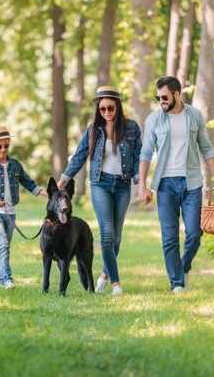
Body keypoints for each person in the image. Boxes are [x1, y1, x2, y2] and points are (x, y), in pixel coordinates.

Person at [139, 76, 214, 293]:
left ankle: (183, 266)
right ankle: (177, 283)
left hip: (192, 183)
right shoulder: (154, 119)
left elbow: (206, 148)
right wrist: (142, 184)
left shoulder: (194, 116)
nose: (161, 101)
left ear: (177, 94)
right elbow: (146, 152)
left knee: (194, 233)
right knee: (169, 236)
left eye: (165, 97)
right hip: (165, 185)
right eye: (158, 97)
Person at [58, 86, 142, 296]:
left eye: (110, 108)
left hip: (123, 185)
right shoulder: (93, 130)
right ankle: (116, 284)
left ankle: (104, 275)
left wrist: (140, 181)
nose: (106, 112)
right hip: (100, 184)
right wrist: (65, 177)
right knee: (106, 235)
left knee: (116, 239)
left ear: (118, 106)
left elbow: (138, 156)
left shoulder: (131, 128)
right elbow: (79, 156)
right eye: (102, 109)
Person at [0, 126, 47, 289]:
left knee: (6, 247)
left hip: (11, 213)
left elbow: (28, 182)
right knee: (3, 244)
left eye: (6, 146)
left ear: (9, 144)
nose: (3, 150)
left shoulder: (15, 165)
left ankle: (1, 278)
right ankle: (7, 279)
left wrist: (43, 192)